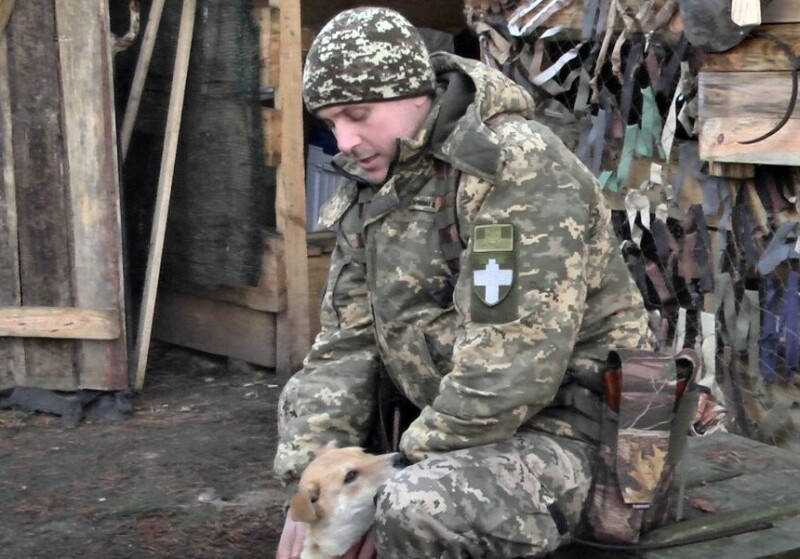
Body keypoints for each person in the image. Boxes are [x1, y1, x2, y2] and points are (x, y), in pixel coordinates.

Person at [275, 7, 652, 559]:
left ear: (415, 93)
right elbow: (345, 344)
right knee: (303, 410)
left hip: (575, 435)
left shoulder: (513, 166)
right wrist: (311, 489)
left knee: (417, 504)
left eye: (358, 114)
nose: (345, 140)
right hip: (454, 427)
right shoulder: (374, 185)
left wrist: (398, 471)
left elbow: (510, 370)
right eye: (331, 123)